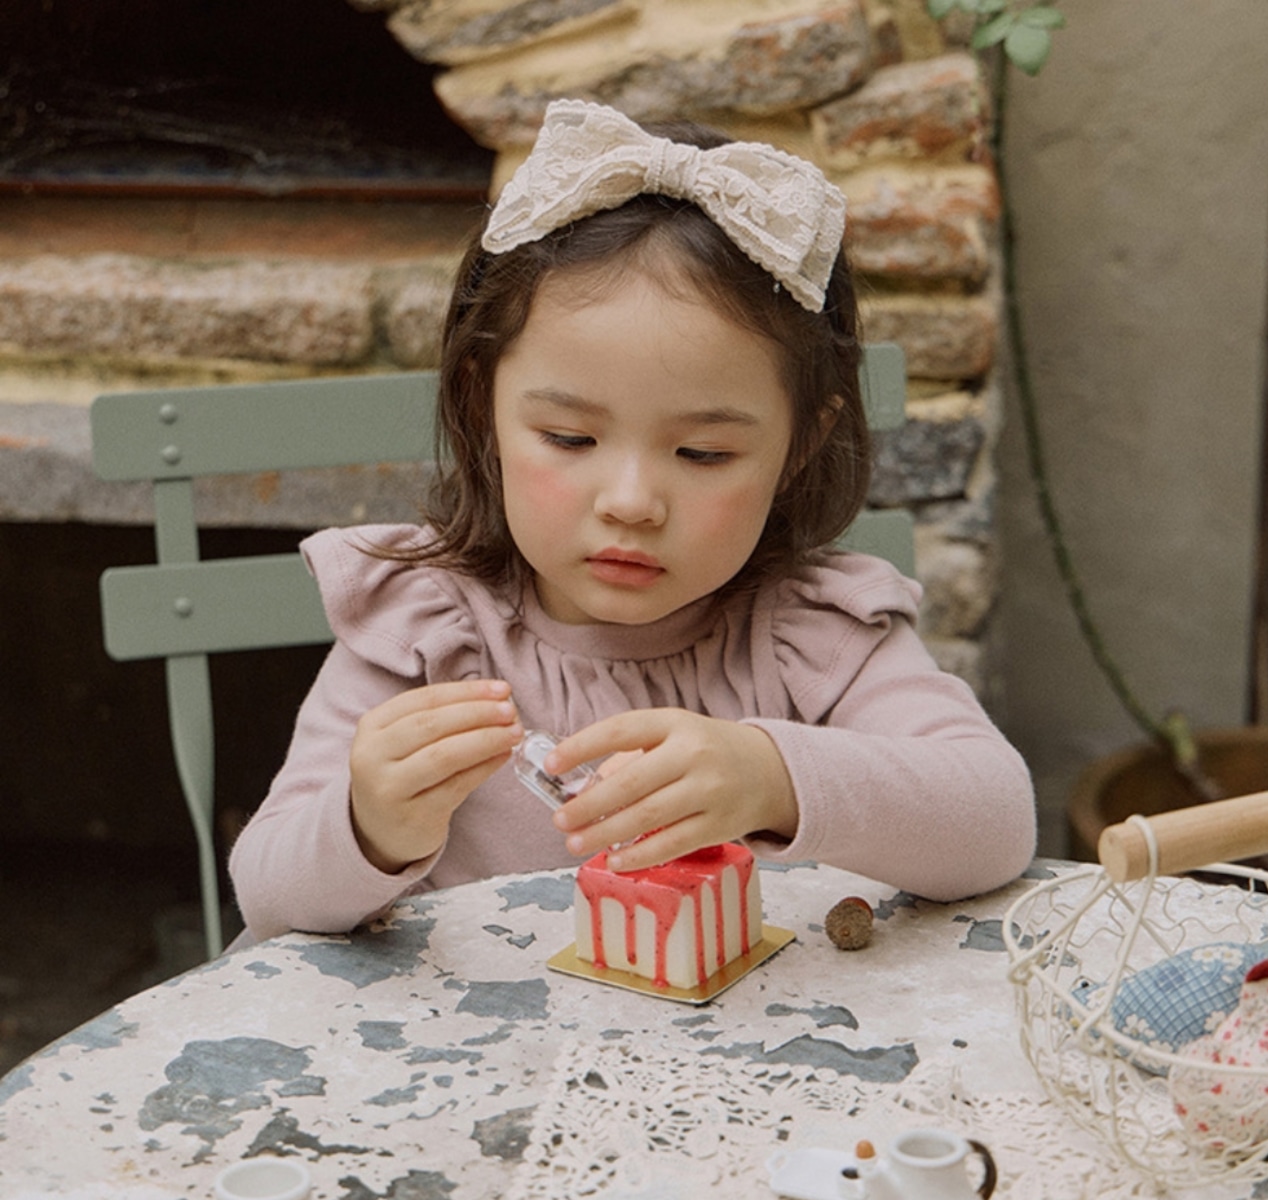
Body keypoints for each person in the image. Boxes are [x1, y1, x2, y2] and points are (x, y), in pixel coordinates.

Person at [229, 99, 1036, 942]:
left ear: (800, 444)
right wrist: (369, 827)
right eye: (570, 438)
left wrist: (774, 778)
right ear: (482, 405)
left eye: (703, 454)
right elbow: (271, 901)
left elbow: (997, 820)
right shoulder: (423, 632)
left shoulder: (813, 638)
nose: (630, 501)